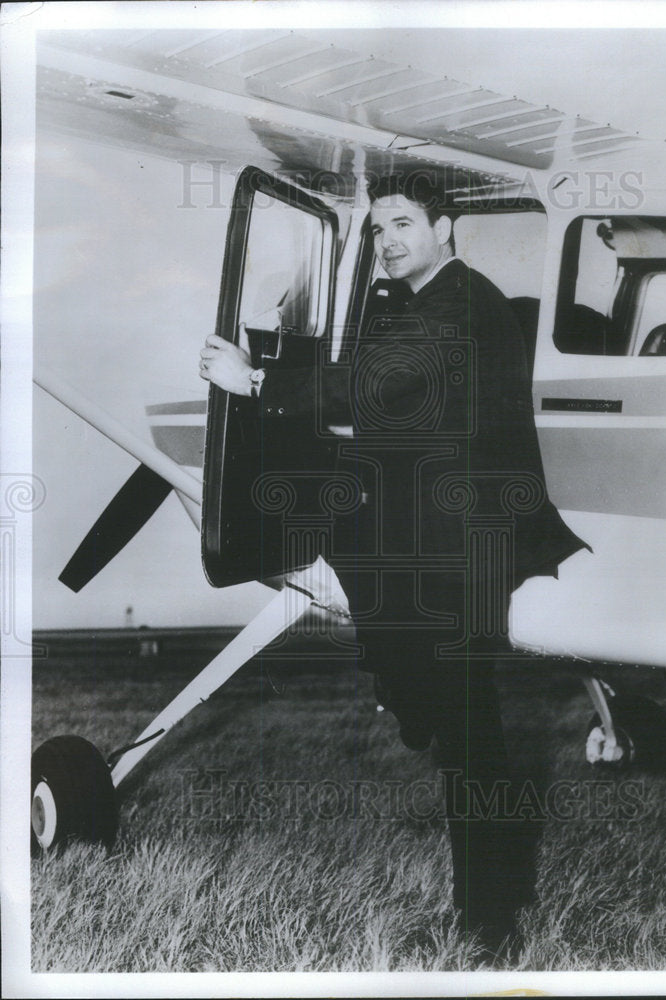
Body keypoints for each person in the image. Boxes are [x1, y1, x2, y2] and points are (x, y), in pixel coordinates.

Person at [199, 172, 588, 956]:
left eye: (403, 223)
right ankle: (412, 705)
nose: (387, 242)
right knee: (450, 719)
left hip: (464, 545)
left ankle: (488, 923)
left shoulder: (458, 303)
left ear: (446, 229)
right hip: (436, 537)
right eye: (377, 231)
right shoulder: (425, 302)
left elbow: (381, 381)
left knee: (467, 732)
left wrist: (254, 379)